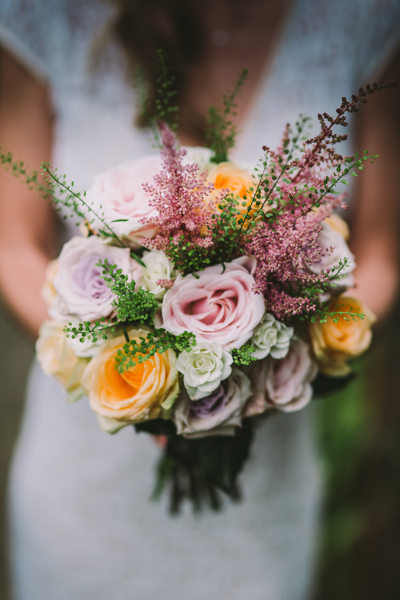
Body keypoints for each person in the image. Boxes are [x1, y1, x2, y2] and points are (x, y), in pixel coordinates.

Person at [0, 1, 399, 598]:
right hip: (86, 483)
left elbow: (381, 255)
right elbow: (12, 246)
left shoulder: (366, 18)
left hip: (268, 482)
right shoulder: (46, 15)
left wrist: (271, 370)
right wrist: (135, 370)